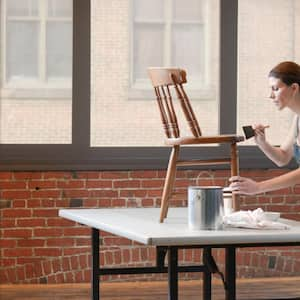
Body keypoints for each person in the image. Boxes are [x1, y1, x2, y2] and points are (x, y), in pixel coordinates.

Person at [229, 61, 300, 195]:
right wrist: (262, 143)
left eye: (275, 89)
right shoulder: (297, 120)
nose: (270, 95)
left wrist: (258, 187)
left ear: (294, 88)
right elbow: (282, 158)